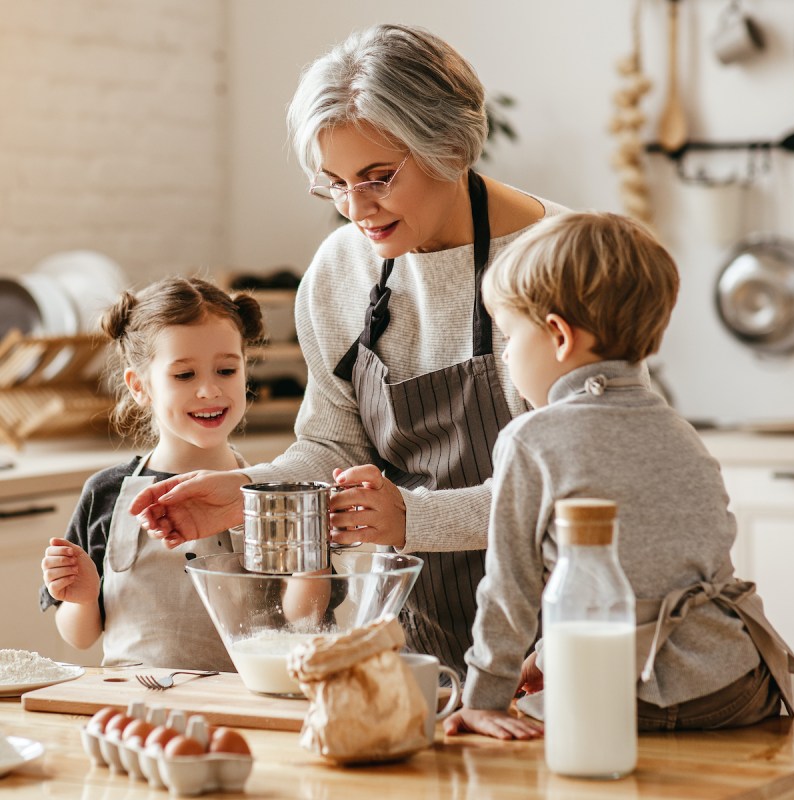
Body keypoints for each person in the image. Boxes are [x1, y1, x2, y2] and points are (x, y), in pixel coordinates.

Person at [128, 23, 569, 679]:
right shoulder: (341, 270)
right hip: (416, 642)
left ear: (450, 144)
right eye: (332, 182)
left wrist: (411, 519)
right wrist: (250, 492)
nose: (356, 209)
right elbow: (333, 448)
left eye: (378, 177)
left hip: (559, 636)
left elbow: (580, 484)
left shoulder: (562, 257)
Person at [443, 211, 794, 740]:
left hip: (620, 696)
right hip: (738, 685)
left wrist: (483, 699)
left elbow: (510, 589)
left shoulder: (532, 438)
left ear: (559, 337)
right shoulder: (678, 430)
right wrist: (549, 654)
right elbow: (668, 569)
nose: (508, 356)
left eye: (510, 337)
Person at [39, 276, 265, 669]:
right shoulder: (106, 492)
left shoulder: (270, 492)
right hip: (135, 710)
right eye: (184, 375)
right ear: (140, 386)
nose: (210, 390)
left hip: (243, 708)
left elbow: (302, 617)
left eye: (226, 370)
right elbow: (80, 636)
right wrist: (83, 596)